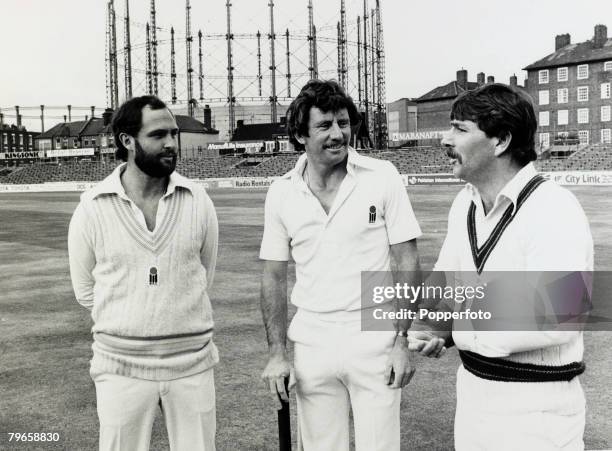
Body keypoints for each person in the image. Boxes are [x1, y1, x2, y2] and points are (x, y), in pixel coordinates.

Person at [413, 83, 593, 450]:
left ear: (500, 141)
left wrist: (462, 327)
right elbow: (447, 284)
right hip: (474, 400)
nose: (446, 140)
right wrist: (432, 327)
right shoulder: (464, 204)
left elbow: (563, 316)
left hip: (538, 412)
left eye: (460, 129)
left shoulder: (554, 207)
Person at [259, 79, 424, 451]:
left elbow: (408, 258)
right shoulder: (282, 191)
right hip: (313, 337)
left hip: (374, 333)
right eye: (325, 125)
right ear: (300, 134)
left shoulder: (382, 177)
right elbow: (272, 275)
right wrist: (276, 353)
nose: (338, 134)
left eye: (344, 123)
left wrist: (402, 340)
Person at [68, 95, 219, 451]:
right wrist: (133, 321)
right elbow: (85, 289)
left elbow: (202, 275)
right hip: (120, 367)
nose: (170, 143)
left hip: (192, 364)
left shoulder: (198, 200)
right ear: (127, 141)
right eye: (157, 135)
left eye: (173, 133)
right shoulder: (92, 207)